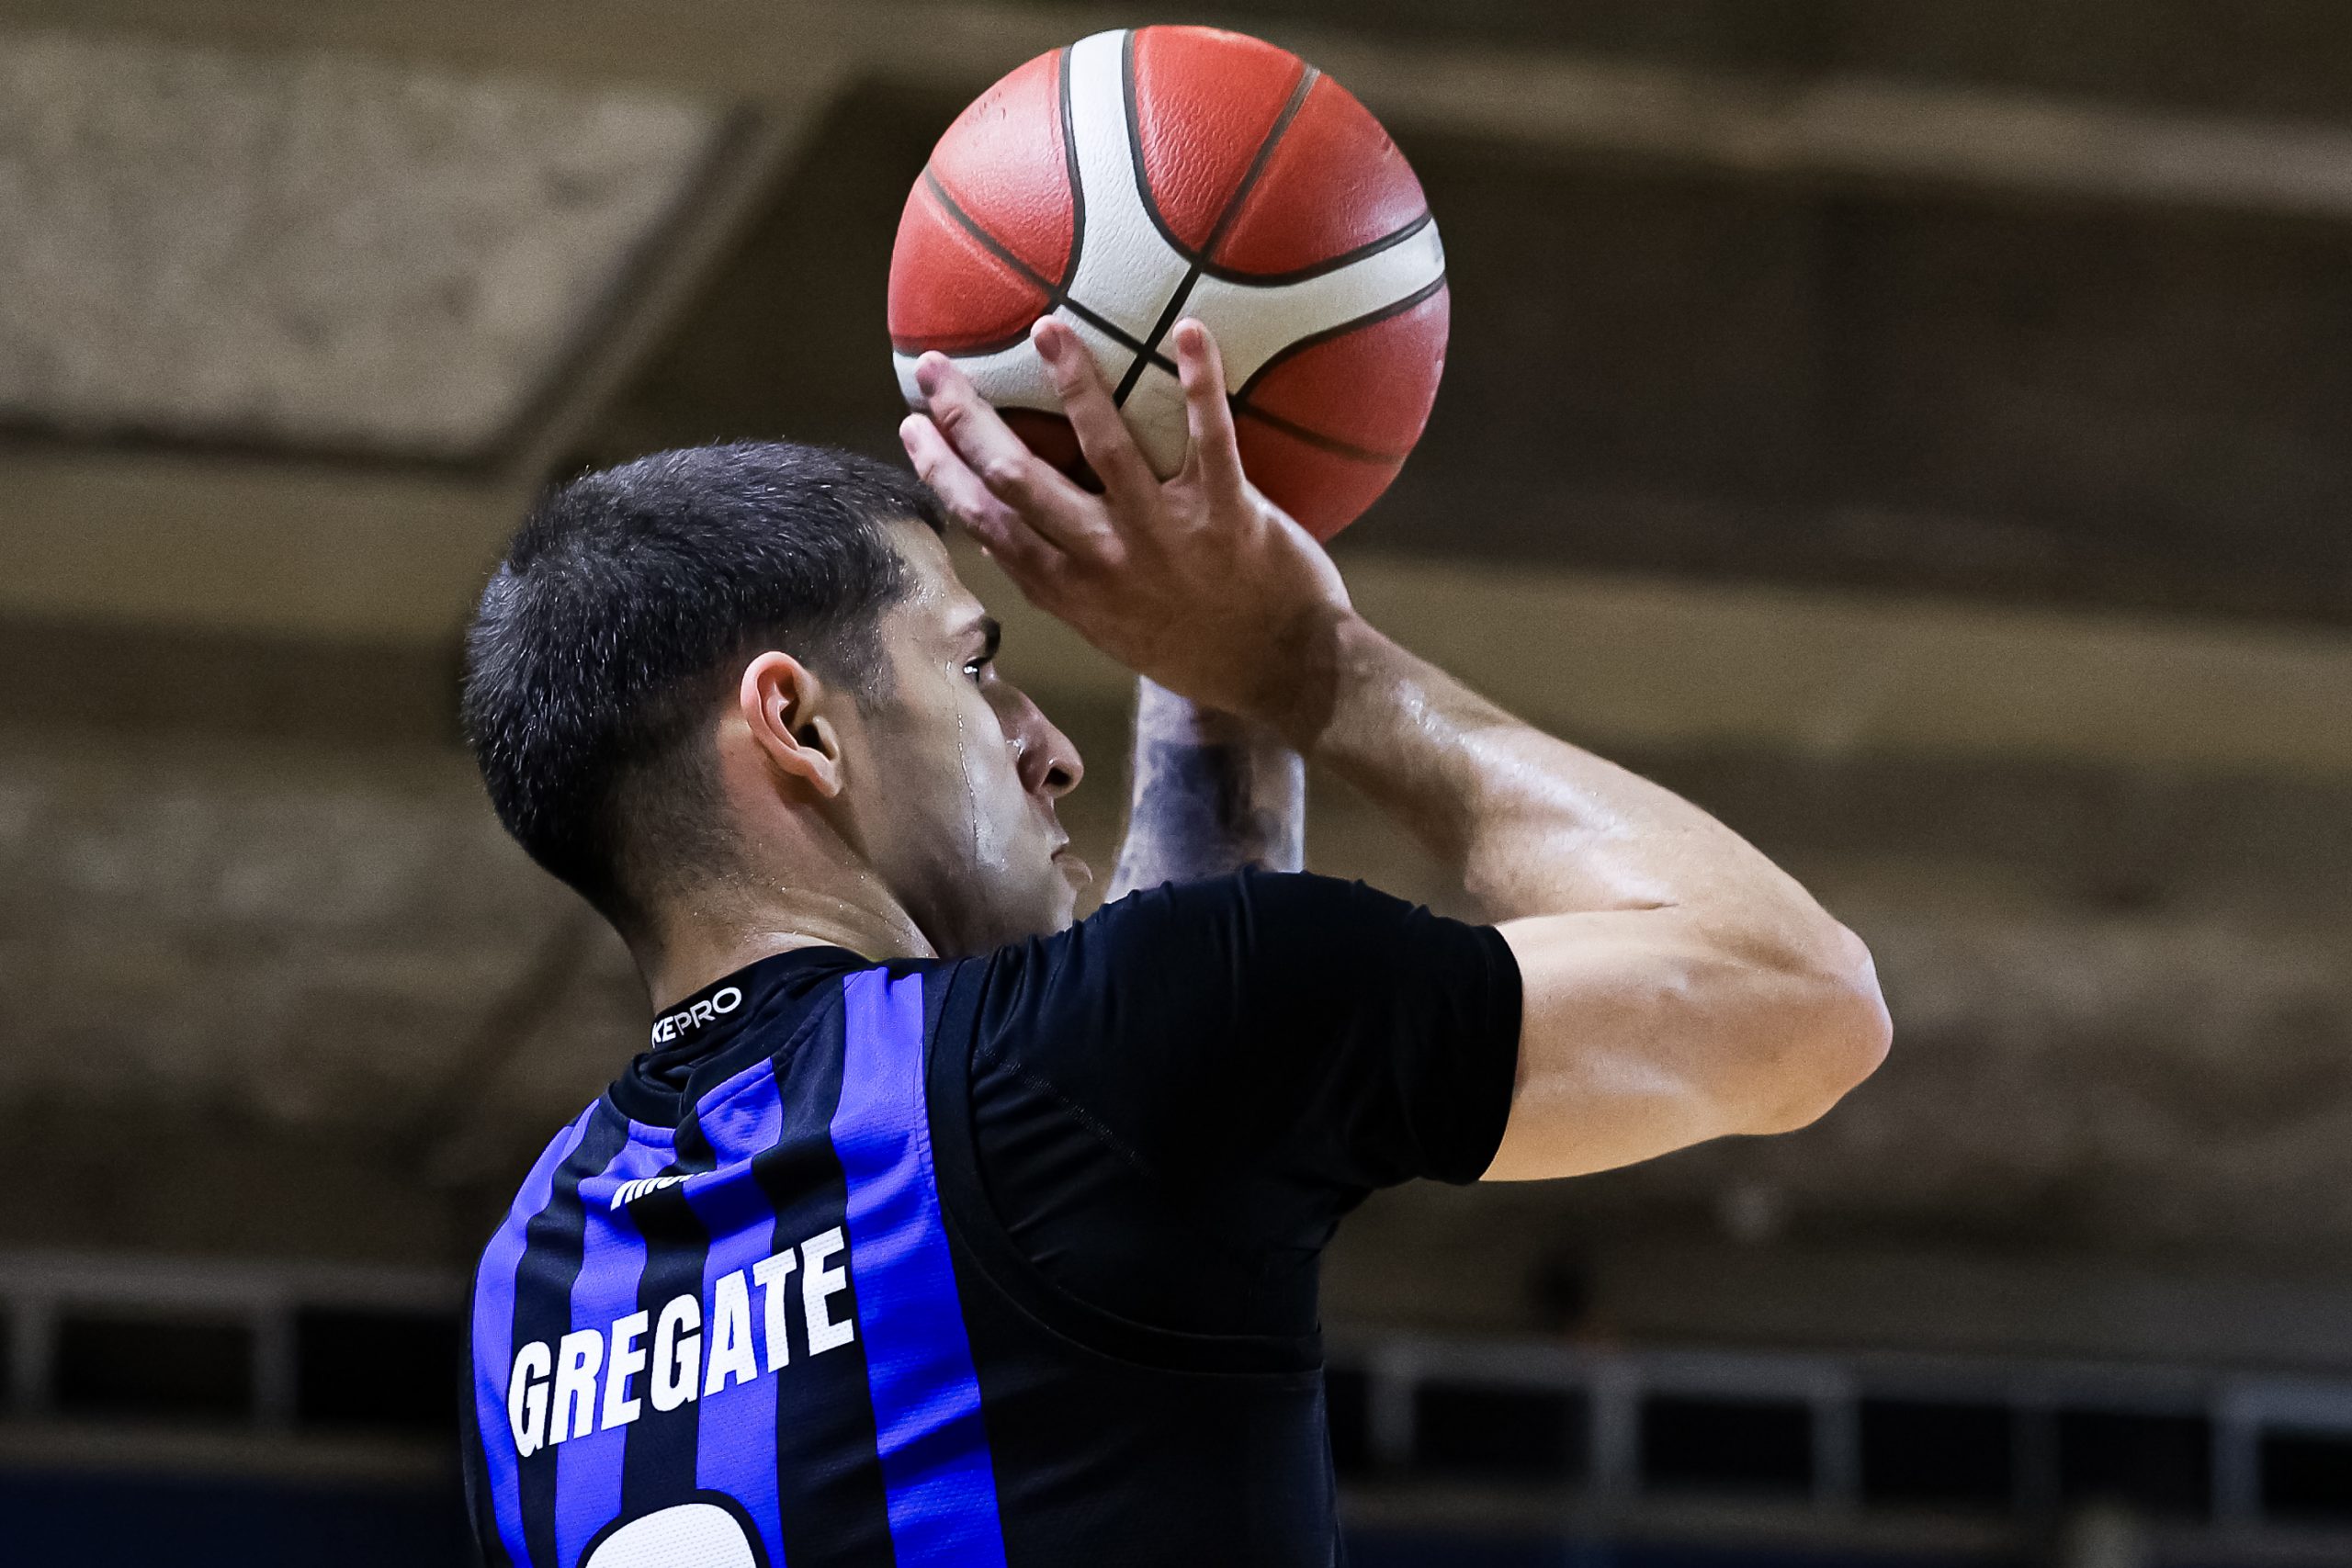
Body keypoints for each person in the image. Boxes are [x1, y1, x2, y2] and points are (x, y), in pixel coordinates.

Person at [458, 316, 1890, 1568]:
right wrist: (1309, 668)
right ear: (799, 727)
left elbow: (1139, 1141)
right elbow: (1795, 996)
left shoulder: (530, 1284)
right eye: (975, 668)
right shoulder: (1082, 1074)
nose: (1047, 748)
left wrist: (1206, 666)